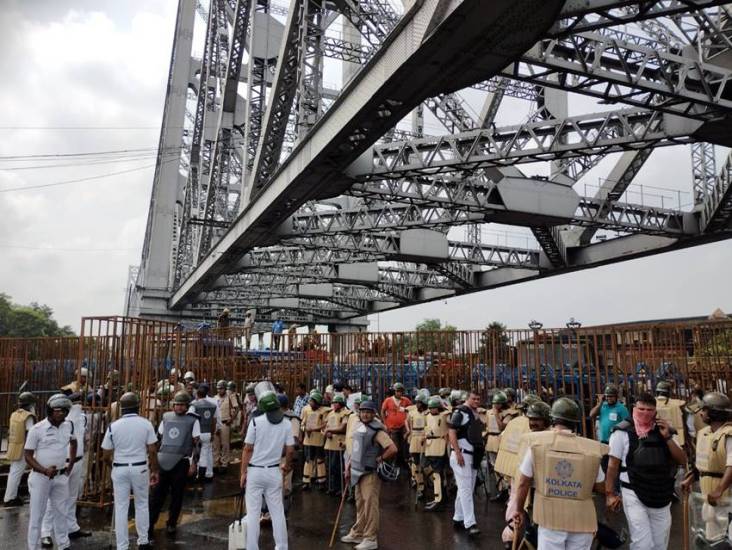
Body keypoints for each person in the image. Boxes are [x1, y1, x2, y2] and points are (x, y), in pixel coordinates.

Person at [513, 397, 606, 550]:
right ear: (576, 422)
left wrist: (518, 510)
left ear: (552, 419)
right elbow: (601, 486)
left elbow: (523, 482)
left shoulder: (537, 446)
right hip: (581, 521)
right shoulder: (591, 450)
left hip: (550, 519)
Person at [605, 392, 686, 550]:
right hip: (633, 492)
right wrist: (609, 494)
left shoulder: (665, 430)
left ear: (655, 411)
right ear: (634, 409)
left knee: (659, 544)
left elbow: (682, 460)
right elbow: (612, 466)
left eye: (649, 410)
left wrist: (667, 437)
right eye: (641, 409)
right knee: (642, 543)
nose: (645, 413)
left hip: (661, 494)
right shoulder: (622, 432)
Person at [101, 392, 159, 550]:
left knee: (121, 507)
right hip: (140, 468)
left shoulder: (113, 426)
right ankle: (143, 541)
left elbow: (105, 454)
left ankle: (122, 546)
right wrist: (154, 471)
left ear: (122, 408)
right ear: (138, 406)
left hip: (120, 467)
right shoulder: (146, 424)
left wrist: (113, 467)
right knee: (142, 504)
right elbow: (152, 451)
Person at [240, 390, 295, 550]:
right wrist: (287, 465)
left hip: (255, 472)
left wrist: (243, 472)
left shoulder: (256, 422)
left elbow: (247, 449)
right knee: (277, 512)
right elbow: (290, 450)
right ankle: (281, 547)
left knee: (253, 513)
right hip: (274, 471)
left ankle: (252, 547)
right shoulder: (286, 423)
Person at [341, 400, 398, 550]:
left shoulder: (377, 430)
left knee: (370, 505)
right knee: (360, 504)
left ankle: (371, 538)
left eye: (368, 412)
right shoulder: (359, 427)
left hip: (370, 473)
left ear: (373, 414)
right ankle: (358, 532)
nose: (365, 414)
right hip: (357, 471)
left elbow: (392, 448)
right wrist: (348, 466)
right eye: (363, 411)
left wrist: (379, 458)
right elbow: (355, 449)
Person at [24, 394, 77, 550]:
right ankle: (32, 547)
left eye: (64, 411)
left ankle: (63, 544)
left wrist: (71, 463)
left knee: (61, 512)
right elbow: (27, 455)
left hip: (61, 477)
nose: (61, 414)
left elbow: (74, 442)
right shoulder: (37, 429)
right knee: (37, 515)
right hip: (41, 478)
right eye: (58, 410)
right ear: (50, 410)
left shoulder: (69, 425)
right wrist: (44, 470)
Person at [682, 391, 732, 543]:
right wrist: (692, 477)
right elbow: (705, 465)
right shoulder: (704, 434)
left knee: (727, 541)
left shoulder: (728, 434)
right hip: (709, 499)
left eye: (704, 410)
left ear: (714, 413)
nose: (701, 413)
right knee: (713, 541)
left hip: (727, 499)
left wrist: (719, 489)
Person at [149, 391, 200, 539]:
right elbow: (158, 439)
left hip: (181, 461)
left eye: (181, 404)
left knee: (177, 495)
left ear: (186, 406)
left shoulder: (193, 420)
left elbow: (197, 444)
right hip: (163, 460)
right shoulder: (166, 417)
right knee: (157, 496)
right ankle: (150, 524)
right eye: (176, 404)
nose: (178, 407)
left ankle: (172, 523)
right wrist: (153, 463)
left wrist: (193, 464)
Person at [40, 392, 90, 547]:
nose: (79, 404)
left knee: (72, 497)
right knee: (53, 500)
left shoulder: (82, 418)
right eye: (76, 401)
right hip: (63, 462)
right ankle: (45, 532)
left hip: (78, 460)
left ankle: (71, 527)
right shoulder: (60, 419)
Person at [502, 400, 552, 549]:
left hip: (546, 494)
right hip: (529, 493)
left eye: (537, 419)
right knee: (531, 530)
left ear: (547, 420)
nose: (532, 423)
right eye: (531, 419)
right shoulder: (528, 437)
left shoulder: (551, 438)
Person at [448, 390, 486, 536]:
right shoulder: (461, 412)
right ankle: (470, 523)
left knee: (466, 489)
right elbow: (451, 432)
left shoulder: (475, 412)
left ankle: (458, 517)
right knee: (465, 489)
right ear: (467, 399)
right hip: (462, 455)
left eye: (478, 398)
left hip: (473, 455)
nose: (477, 401)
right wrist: (457, 452)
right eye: (473, 398)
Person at [4, 391, 37, 507]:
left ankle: (10, 496)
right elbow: (31, 433)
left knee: (14, 472)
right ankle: (10, 498)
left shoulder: (14, 414)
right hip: (23, 448)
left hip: (13, 446)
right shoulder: (28, 416)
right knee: (17, 473)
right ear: (30, 405)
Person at [423, 396, 449, 511]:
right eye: (430, 407)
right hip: (429, 445)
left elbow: (451, 410)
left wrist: (443, 405)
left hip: (440, 445)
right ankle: (440, 497)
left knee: (438, 474)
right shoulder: (427, 416)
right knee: (428, 469)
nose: (431, 409)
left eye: (434, 407)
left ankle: (439, 499)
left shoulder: (444, 415)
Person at [300, 390, 329, 489]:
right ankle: (306, 481)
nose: (311, 403)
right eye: (310, 401)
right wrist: (305, 429)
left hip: (319, 438)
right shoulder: (306, 410)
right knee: (308, 460)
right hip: (308, 439)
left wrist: (315, 429)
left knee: (320, 459)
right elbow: (302, 424)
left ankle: (321, 480)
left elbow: (325, 424)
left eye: (313, 401)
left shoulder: (324, 411)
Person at [190, 385, 218, 481]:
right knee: (206, 453)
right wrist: (213, 433)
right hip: (208, 432)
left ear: (197, 395)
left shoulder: (194, 405)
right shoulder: (213, 405)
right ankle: (208, 474)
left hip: (197, 433)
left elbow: (190, 419)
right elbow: (214, 421)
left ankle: (198, 475)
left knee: (196, 454)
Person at [323, 394, 349, 496]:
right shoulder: (330, 414)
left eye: (336, 403)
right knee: (330, 466)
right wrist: (326, 431)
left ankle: (341, 488)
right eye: (333, 403)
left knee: (338, 467)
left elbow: (343, 428)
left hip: (339, 443)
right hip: (329, 443)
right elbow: (325, 426)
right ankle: (332, 487)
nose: (334, 405)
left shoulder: (346, 413)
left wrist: (329, 430)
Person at [380, 382, 412, 465]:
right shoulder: (388, 400)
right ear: (394, 391)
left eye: (401, 391)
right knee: (395, 445)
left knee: (405, 444)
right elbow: (382, 411)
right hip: (392, 427)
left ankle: (405, 462)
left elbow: (411, 410)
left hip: (404, 426)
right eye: (398, 391)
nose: (399, 393)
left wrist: (405, 410)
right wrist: (385, 423)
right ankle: (395, 462)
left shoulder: (406, 400)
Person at [405, 394, 428, 498]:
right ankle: (420, 487)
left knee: (426, 464)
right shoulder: (412, 412)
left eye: (419, 402)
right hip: (414, 438)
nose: (417, 404)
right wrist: (408, 430)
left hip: (424, 438)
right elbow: (406, 420)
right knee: (416, 463)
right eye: (417, 402)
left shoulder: (428, 413)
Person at [654, 380, 686, 447]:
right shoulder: (676, 404)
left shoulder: (651, 403)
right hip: (674, 439)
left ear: (657, 392)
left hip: (655, 438)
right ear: (668, 393)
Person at [214, 380, 235, 472]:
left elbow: (237, 407)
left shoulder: (230, 396)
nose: (219, 390)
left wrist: (232, 418)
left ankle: (224, 463)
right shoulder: (214, 398)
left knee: (225, 444)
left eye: (221, 388)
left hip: (225, 422)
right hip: (216, 423)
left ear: (225, 388)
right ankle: (215, 462)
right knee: (215, 444)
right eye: (218, 388)